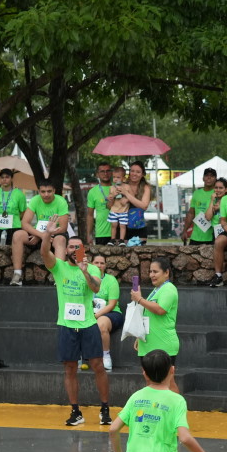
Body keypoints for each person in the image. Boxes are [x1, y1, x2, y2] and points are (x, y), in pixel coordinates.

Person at [41, 232, 110, 426]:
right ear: (66, 250)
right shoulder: (59, 266)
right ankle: (75, 411)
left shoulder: (92, 268)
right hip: (67, 325)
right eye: (71, 247)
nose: (74, 250)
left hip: (88, 324)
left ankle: (105, 408)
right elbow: (44, 252)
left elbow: (96, 289)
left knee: (98, 366)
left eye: (78, 247)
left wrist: (85, 271)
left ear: (84, 250)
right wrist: (47, 235)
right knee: (70, 368)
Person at [131, 256, 180, 392]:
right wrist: (140, 336)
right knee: (149, 381)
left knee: (168, 381)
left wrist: (139, 299)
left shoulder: (169, 288)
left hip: (163, 343)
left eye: (155, 272)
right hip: (149, 343)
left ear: (166, 272)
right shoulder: (156, 290)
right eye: (150, 272)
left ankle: (177, 406)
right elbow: (148, 315)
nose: (151, 275)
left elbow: (160, 310)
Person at [11, 178, 69, 285]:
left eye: (49, 191)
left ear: (54, 191)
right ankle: (17, 274)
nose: (46, 195)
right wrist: (41, 235)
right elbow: (24, 223)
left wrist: (45, 235)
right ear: (39, 191)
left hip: (55, 234)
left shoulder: (61, 201)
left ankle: (58, 276)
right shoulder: (35, 200)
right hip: (39, 234)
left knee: (60, 239)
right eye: (43, 192)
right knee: (17, 235)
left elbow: (63, 227)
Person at [90, 253, 121, 372]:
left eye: (102, 263)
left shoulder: (111, 280)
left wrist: (96, 316)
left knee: (101, 324)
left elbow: (112, 304)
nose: (99, 265)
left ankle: (106, 356)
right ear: (91, 264)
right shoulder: (85, 278)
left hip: (110, 313)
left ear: (105, 265)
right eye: (96, 262)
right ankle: (78, 357)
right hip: (89, 312)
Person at [0, 168, 27, 246]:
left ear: (12, 178)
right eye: (2, 177)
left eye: (7, 177)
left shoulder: (19, 194)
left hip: (14, 227)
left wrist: (14, 219)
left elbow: (23, 212)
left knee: (13, 250)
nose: (4, 179)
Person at [181, 168, 218, 247]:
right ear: (203, 178)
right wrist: (185, 230)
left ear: (215, 179)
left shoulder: (218, 193)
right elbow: (191, 213)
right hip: (195, 236)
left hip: (212, 236)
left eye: (212, 176)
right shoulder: (196, 193)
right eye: (206, 175)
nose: (209, 178)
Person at [85, 162, 115, 246]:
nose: (105, 173)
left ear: (111, 173)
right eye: (102, 171)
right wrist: (89, 234)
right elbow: (90, 215)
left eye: (108, 171)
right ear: (97, 174)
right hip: (101, 233)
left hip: (117, 232)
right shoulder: (92, 192)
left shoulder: (118, 188)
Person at [121, 162, 151, 244]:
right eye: (132, 171)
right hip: (123, 227)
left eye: (138, 172)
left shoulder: (146, 187)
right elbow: (119, 204)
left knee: (140, 251)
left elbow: (144, 206)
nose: (134, 174)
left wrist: (127, 195)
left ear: (142, 174)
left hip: (140, 227)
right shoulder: (122, 185)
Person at [106, 166, 130, 245]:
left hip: (123, 210)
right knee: (114, 225)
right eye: (114, 177)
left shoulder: (127, 187)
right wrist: (112, 195)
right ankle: (112, 239)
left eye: (118, 177)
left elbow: (132, 196)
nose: (115, 179)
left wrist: (126, 198)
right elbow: (109, 197)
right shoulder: (112, 188)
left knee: (122, 225)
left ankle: (121, 240)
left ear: (123, 178)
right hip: (114, 210)